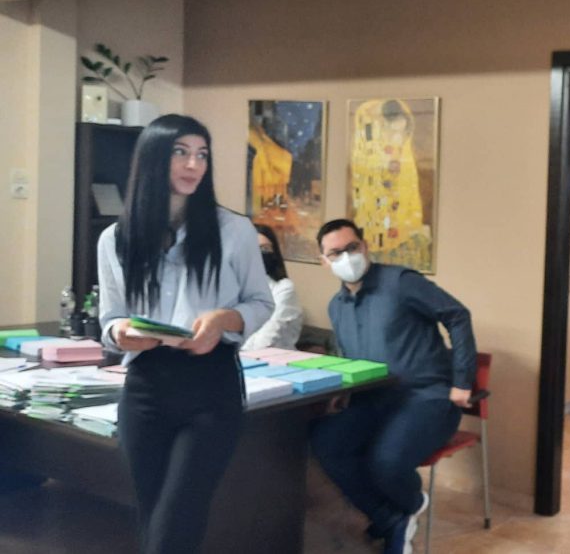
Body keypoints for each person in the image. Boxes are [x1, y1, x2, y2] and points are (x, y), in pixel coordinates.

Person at [97, 114, 274, 554]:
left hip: (210, 388)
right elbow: (110, 317)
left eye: (201, 154)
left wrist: (224, 320)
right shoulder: (115, 238)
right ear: (153, 159)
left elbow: (261, 302)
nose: (194, 164)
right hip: (145, 389)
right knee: (154, 516)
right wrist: (120, 332)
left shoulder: (234, 231)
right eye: (181, 152)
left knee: (176, 520)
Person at [309, 218, 477, 554]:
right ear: (324, 261)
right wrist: (341, 393)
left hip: (426, 399)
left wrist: (462, 381)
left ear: (365, 246)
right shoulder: (336, 307)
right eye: (336, 253)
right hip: (373, 400)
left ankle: (411, 503)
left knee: (385, 462)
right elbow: (349, 357)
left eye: (352, 247)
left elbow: (457, 315)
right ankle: (389, 518)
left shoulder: (400, 282)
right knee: (326, 442)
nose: (346, 257)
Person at [241, 224, 304, 350]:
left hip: (275, 359)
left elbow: (266, 339)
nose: (260, 254)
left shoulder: (284, 288)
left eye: (265, 248)